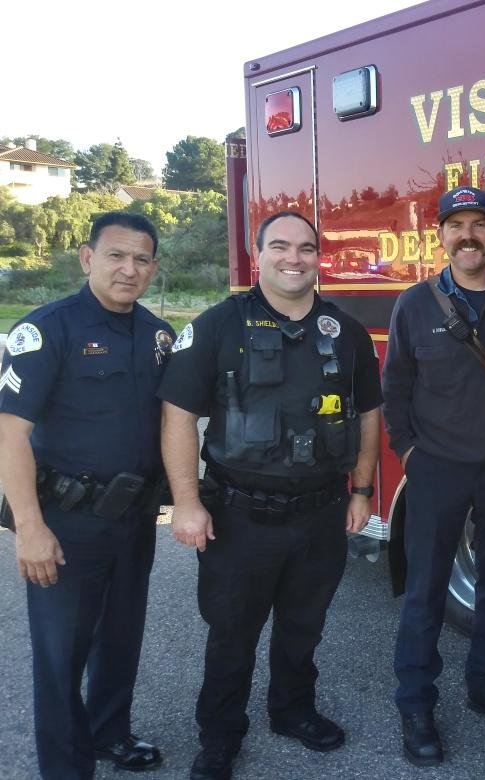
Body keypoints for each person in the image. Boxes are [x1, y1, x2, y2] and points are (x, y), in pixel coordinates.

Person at [158, 211, 382, 780]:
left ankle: (292, 711)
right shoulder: (216, 327)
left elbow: (369, 415)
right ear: (258, 254)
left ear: (318, 258)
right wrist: (186, 502)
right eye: (280, 246)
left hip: (321, 512)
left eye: (306, 248)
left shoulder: (345, 332)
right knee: (232, 632)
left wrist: (360, 490)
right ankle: (220, 735)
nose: (294, 258)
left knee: (303, 626)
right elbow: (178, 416)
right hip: (239, 515)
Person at [0, 212, 170, 778]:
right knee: (60, 657)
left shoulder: (157, 335)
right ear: (86, 257)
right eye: (117, 256)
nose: (129, 269)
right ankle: (67, 768)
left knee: (120, 641)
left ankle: (108, 734)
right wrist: (29, 527)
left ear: (153, 268)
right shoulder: (49, 330)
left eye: (142, 259)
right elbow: (9, 435)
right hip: (66, 525)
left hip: (135, 519)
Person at [382, 186, 485, 767]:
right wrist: (412, 455)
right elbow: (394, 389)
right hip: (437, 471)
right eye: (456, 225)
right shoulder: (414, 305)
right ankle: (415, 702)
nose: (467, 235)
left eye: (478, 223)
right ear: (439, 236)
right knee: (424, 591)